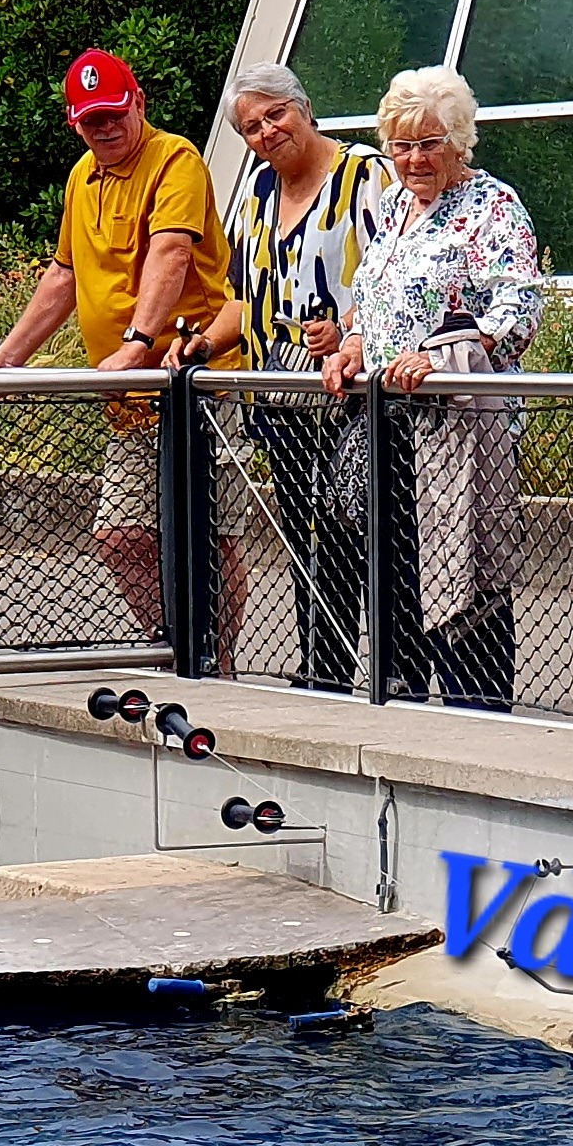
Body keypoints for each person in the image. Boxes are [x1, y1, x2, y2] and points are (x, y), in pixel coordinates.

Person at [0, 48, 249, 656]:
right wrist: (10, 352)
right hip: (127, 397)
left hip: (194, 384)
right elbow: (63, 274)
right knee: (120, 534)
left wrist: (135, 343)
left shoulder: (174, 158)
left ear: (138, 105)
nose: (104, 127)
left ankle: (217, 656)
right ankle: (175, 640)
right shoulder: (82, 175)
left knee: (208, 532)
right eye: (90, 119)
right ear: (76, 123)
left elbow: (172, 253)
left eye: (113, 114)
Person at [319, 66, 542, 712]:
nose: (414, 158)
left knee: (463, 574)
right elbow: (373, 300)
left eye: (428, 142)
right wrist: (355, 342)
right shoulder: (392, 205)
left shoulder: (492, 205)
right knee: (396, 572)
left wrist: (441, 356)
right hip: (388, 419)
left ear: (458, 140)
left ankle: (477, 714)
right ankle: (402, 703)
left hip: (457, 424)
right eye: (401, 144)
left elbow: (519, 306)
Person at [171, 63, 394, 694]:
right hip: (280, 404)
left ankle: (385, 672)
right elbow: (245, 299)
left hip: (353, 398)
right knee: (302, 538)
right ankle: (322, 667)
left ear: (305, 109)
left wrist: (353, 329)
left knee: (362, 535)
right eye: (251, 127)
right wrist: (202, 344)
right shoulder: (256, 192)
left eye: (276, 115)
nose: (267, 133)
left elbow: (398, 272)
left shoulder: (366, 175)